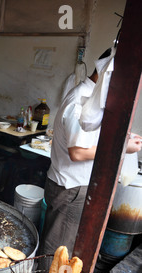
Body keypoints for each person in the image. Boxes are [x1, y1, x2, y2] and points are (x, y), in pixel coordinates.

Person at [39, 49, 142, 257]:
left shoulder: (93, 101)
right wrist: (121, 148)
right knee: (58, 250)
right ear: (105, 74)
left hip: (73, 186)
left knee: (62, 245)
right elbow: (77, 152)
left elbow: (91, 140)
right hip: (71, 188)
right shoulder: (81, 100)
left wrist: (123, 139)